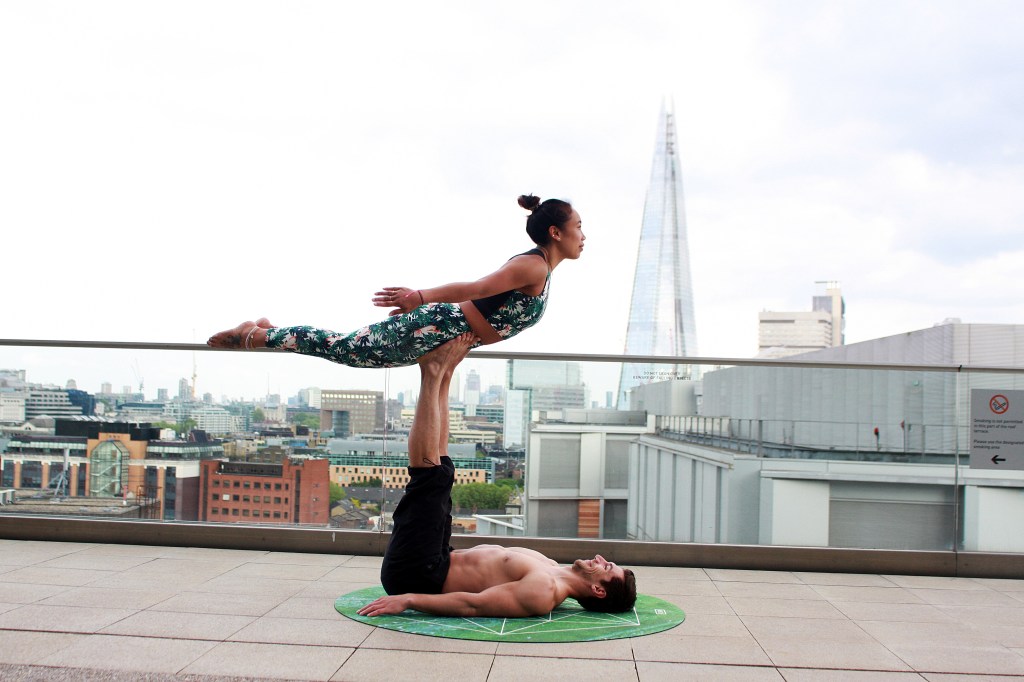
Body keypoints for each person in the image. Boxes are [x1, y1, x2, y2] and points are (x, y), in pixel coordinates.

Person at [357, 334, 637, 618]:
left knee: (430, 477)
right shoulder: (551, 567)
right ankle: (444, 373)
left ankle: (431, 369)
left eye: (607, 567)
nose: (600, 558)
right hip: (438, 556)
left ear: (598, 590)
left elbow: (473, 604)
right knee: (444, 468)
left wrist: (408, 600)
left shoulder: (543, 592)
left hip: (417, 573)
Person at [207, 195, 584, 367]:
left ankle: (268, 332)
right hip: (439, 325)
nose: (583, 236)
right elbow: (477, 289)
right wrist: (419, 296)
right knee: (346, 349)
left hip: (445, 332)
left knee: (347, 350)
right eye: (578, 227)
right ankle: (256, 335)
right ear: (555, 232)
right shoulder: (534, 267)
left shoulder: (540, 269)